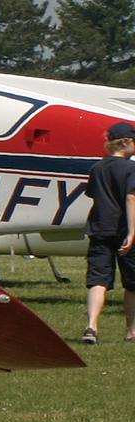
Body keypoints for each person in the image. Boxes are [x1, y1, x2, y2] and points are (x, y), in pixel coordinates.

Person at [81, 120, 135, 345]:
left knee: (99, 280)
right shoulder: (132, 169)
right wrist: (132, 233)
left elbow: (92, 194)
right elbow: (131, 198)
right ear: (125, 143)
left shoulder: (97, 168)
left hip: (100, 228)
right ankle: (132, 331)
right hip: (124, 230)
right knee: (132, 283)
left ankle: (91, 326)